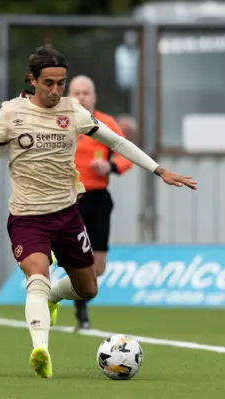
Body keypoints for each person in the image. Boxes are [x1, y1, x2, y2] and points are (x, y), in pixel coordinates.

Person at [0, 45, 196, 379]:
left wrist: (159, 170)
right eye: (48, 83)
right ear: (32, 79)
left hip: (67, 214)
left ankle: (52, 297)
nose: (54, 90)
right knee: (36, 275)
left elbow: (118, 143)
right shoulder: (11, 112)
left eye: (60, 83)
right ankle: (41, 349)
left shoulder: (73, 112)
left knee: (89, 288)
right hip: (26, 217)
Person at [67, 75, 132, 331]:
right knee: (78, 257)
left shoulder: (105, 123)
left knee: (98, 266)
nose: (82, 96)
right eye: (77, 92)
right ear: (69, 95)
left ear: (94, 97)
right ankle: (81, 313)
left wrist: (111, 165)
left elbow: (126, 153)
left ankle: (75, 291)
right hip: (71, 199)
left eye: (86, 92)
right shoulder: (63, 122)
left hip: (99, 198)